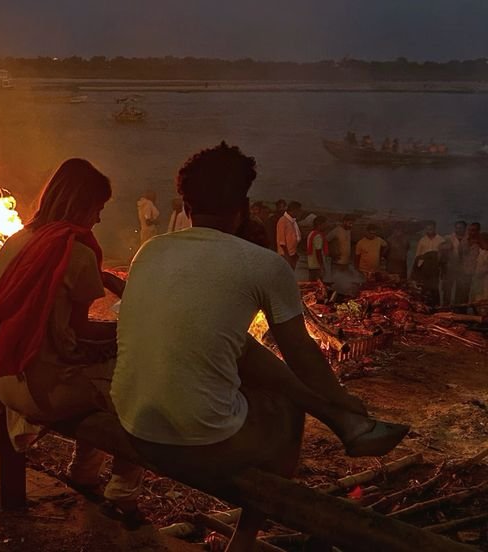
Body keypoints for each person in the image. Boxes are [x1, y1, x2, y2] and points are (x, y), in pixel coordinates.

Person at [111, 143, 408, 552]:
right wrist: (340, 396)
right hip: (196, 443)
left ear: (185, 203)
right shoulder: (262, 264)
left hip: (133, 425)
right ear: (245, 205)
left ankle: (347, 424)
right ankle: (246, 539)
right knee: (288, 408)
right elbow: (302, 354)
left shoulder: (150, 250)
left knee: (244, 348)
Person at [0, 159, 144, 521]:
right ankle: (122, 494)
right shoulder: (76, 251)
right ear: (80, 205)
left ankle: (84, 475)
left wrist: (106, 280)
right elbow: (82, 332)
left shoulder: (18, 239)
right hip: (40, 389)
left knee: (102, 377)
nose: (98, 219)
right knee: (134, 388)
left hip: (2, 375)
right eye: (97, 208)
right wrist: (130, 333)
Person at [412, 222, 445, 306]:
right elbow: (418, 255)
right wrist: (416, 270)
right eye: (428, 229)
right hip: (424, 268)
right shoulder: (422, 240)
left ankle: (436, 306)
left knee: (434, 288)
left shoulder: (441, 240)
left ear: (435, 228)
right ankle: (425, 305)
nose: (429, 230)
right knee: (424, 287)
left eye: (431, 228)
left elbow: (443, 257)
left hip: (435, 268)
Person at [455, 222, 482, 308]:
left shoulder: (482, 242)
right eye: (469, 230)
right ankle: (459, 313)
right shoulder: (464, 240)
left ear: (478, 231)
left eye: (473, 230)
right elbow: (459, 255)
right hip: (462, 273)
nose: (471, 232)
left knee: (474, 297)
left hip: (476, 275)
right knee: (460, 296)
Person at [441, 221, 467, 306]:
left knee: (461, 290)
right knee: (447, 290)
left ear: (464, 229)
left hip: (463, 269)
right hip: (450, 267)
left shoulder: (468, 239)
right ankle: (445, 308)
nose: (458, 230)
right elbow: (442, 254)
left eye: (461, 228)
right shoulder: (448, 238)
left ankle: (459, 309)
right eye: (457, 227)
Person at [276, 200, 302, 270]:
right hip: (285, 255)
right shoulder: (283, 221)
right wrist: (288, 257)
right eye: (299, 211)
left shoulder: (293, 222)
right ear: (293, 210)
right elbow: (282, 242)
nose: (300, 213)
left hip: (292, 254)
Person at [470, 233, 488, 315]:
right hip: (478, 283)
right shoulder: (482, 252)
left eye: (481, 241)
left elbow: (483, 270)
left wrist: (478, 273)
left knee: (484, 301)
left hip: (485, 283)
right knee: (477, 301)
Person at [306, 215, 328, 281]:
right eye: (325, 224)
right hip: (316, 266)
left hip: (311, 264)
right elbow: (318, 252)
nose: (326, 226)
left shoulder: (311, 233)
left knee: (312, 285)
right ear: (320, 224)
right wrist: (321, 266)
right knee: (318, 285)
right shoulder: (318, 236)